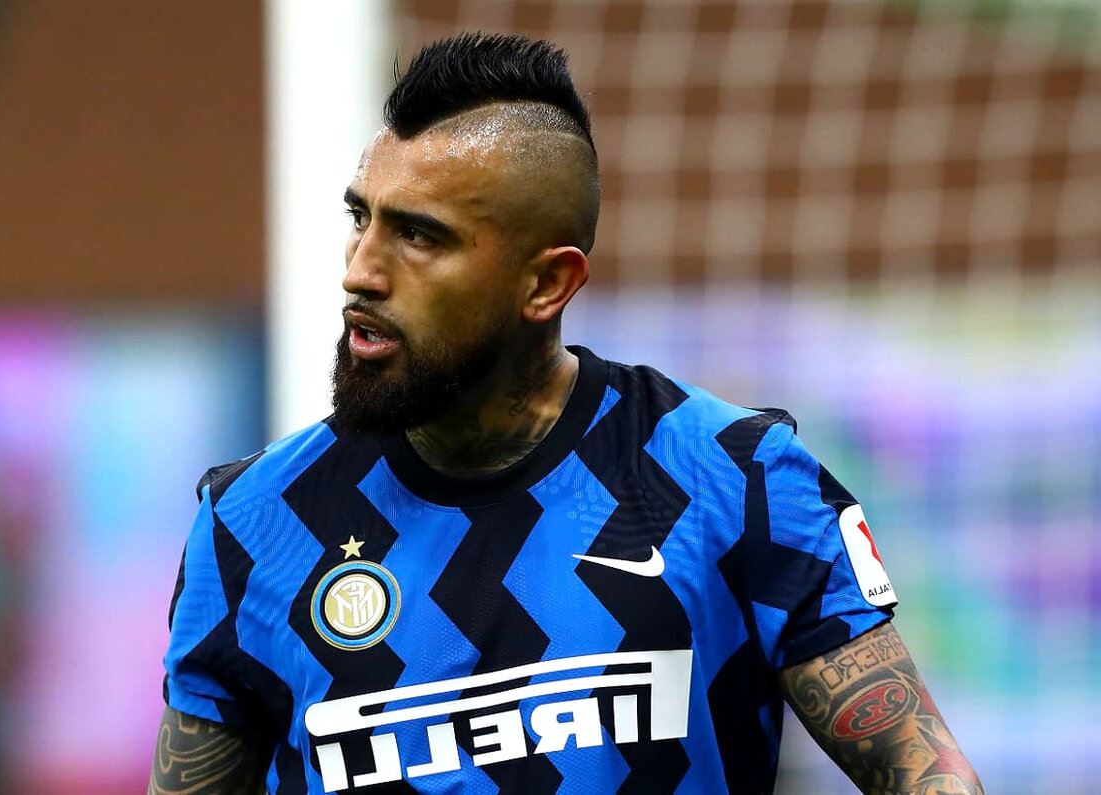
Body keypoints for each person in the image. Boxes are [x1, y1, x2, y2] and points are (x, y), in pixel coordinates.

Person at [149, 33, 982, 794]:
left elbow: (926, 774)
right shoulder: (251, 523)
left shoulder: (733, 479)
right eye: (360, 218)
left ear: (547, 283)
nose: (360, 271)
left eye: (419, 236)